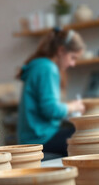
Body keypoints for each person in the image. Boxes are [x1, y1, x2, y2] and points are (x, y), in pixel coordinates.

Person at [17, 28, 86, 156]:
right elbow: (50, 110)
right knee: (89, 136)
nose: (73, 64)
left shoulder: (39, 65)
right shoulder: (47, 68)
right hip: (40, 139)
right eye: (72, 57)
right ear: (61, 51)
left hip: (34, 137)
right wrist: (73, 106)